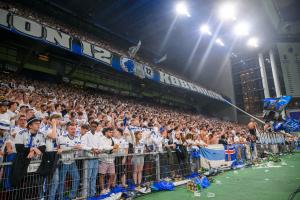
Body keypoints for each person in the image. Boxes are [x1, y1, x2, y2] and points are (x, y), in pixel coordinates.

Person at [57, 122, 81, 200]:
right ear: (67, 129)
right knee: (61, 180)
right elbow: (62, 149)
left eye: (74, 129)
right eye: (71, 129)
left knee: (76, 178)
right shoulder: (62, 137)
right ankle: (60, 197)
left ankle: (72, 196)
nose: (73, 130)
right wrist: (73, 147)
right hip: (63, 161)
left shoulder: (77, 137)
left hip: (72, 161)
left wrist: (73, 148)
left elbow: (79, 147)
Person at [81, 121, 101, 197]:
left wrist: (99, 150)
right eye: (92, 126)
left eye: (95, 126)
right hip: (88, 158)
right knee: (87, 177)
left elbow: (100, 145)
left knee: (93, 177)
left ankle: (92, 193)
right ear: (90, 126)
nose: (93, 127)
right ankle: (85, 194)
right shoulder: (86, 135)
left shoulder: (98, 135)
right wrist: (92, 149)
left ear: (96, 127)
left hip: (96, 158)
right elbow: (83, 146)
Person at [99, 127, 119, 194]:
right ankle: (102, 189)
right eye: (110, 132)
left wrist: (111, 149)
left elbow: (117, 148)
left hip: (111, 159)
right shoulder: (101, 139)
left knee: (112, 174)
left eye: (112, 132)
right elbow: (104, 147)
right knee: (102, 175)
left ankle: (108, 188)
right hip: (103, 159)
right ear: (106, 132)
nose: (111, 133)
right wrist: (112, 148)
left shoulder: (113, 139)